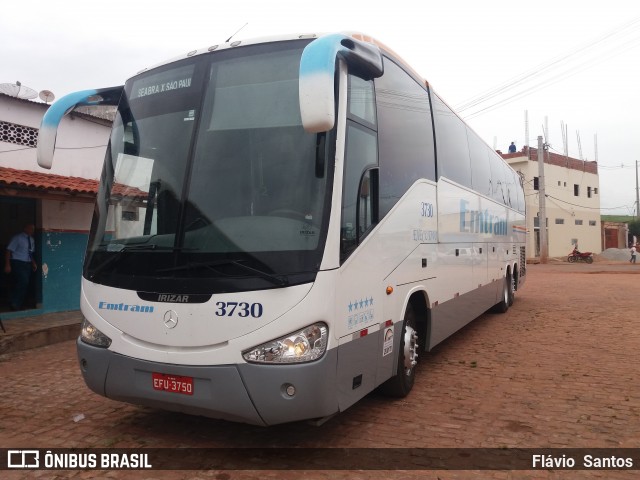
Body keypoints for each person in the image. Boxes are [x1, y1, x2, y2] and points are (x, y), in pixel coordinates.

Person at [4, 223, 38, 310]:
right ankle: (14, 303)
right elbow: (9, 250)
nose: (32, 230)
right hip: (17, 262)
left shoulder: (32, 240)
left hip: (27, 264)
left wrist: (33, 262)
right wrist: (7, 264)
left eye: (33, 229)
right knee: (23, 281)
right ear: (25, 229)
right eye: (30, 228)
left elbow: (30, 253)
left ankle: (18, 303)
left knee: (25, 283)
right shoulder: (17, 238)